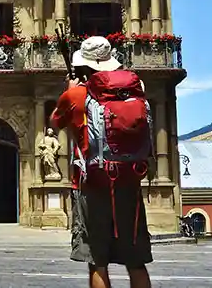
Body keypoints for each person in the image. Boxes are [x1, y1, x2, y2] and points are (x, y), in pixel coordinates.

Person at [52, 36, 154, 288]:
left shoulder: (75, 95)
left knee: (97, 261)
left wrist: (68, 90)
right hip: (129, 183)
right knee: (136, 262)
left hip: (92, 186)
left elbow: (55, 122)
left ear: (83, 65)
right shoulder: (135, 90)